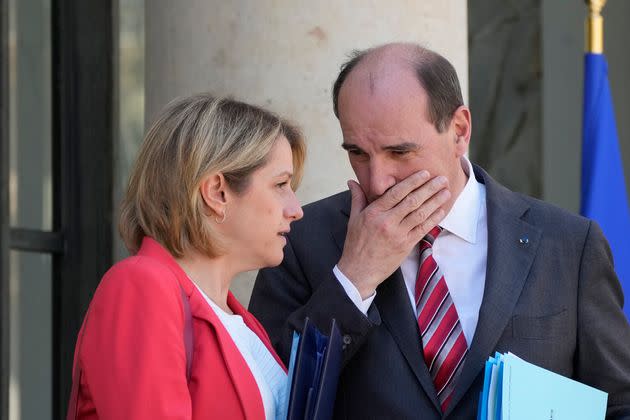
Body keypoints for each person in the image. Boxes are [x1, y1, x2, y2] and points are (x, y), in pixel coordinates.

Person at [249, 43, 630, 419]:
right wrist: (353, 280)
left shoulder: (568, 245)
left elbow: (619, 403)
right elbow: (269, 400)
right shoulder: (300, 238)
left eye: (400, 152)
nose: (378, 182)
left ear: (460, 131)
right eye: (359, 154)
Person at [67, 94, 305, 419]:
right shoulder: (142, 285)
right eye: (281, 185)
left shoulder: (238, 321)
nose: (296, 210)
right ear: (216, 193)